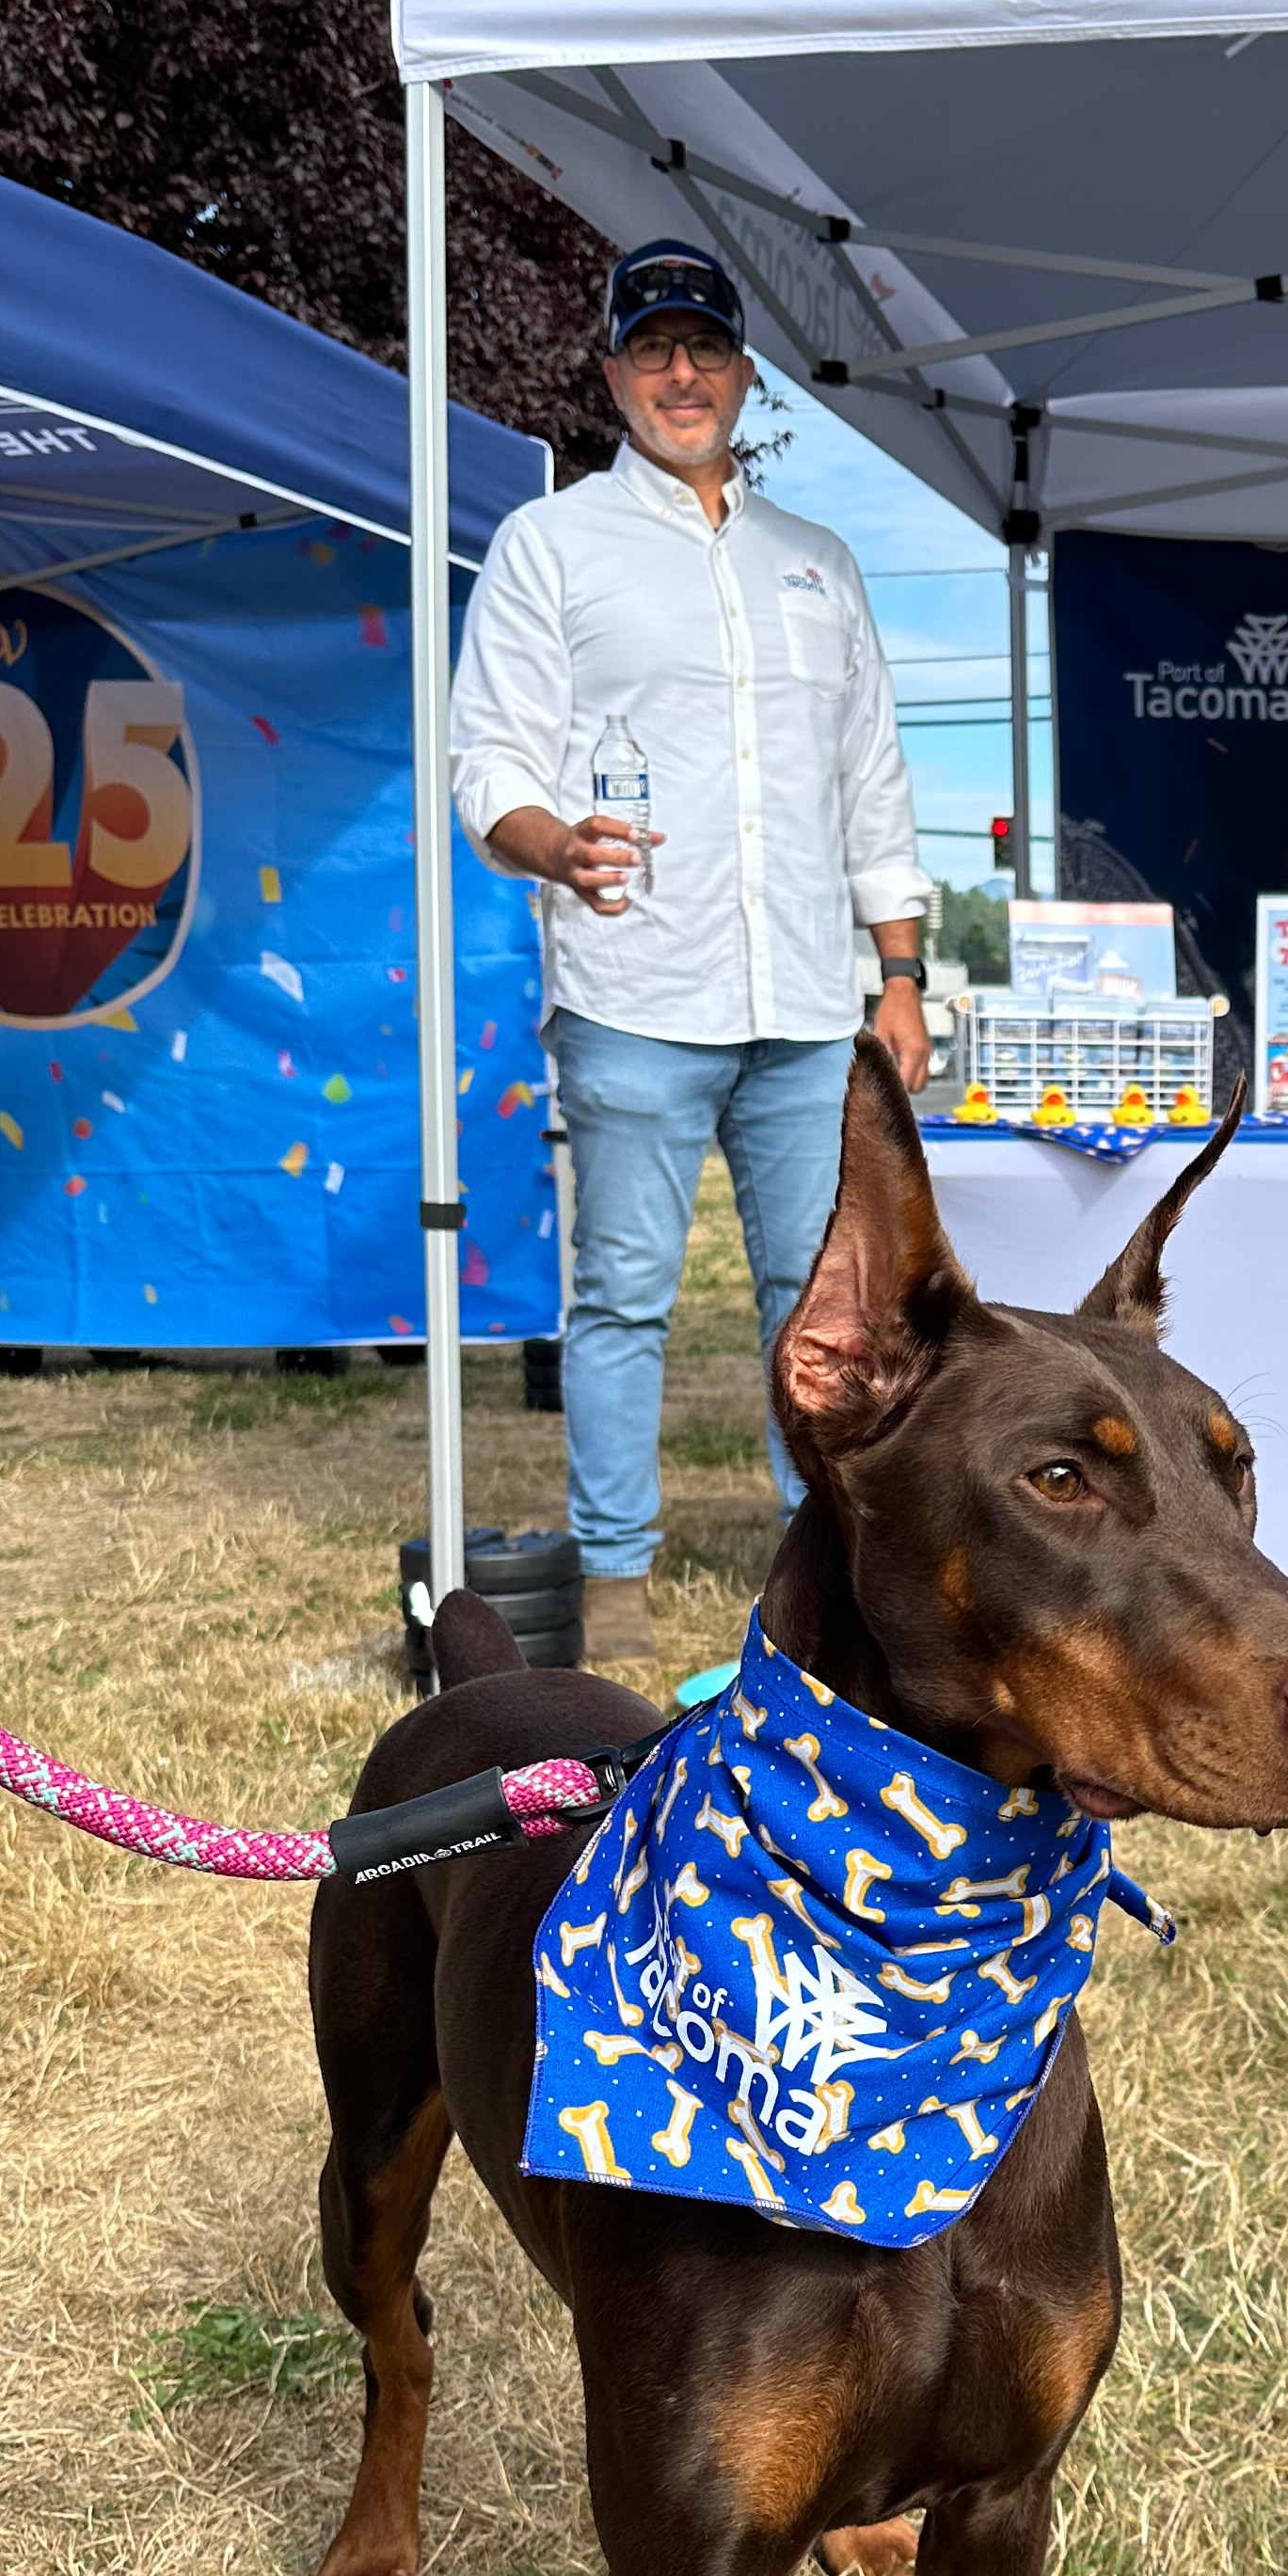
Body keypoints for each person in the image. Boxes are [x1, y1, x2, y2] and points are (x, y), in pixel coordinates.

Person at [450, 239, 932, 1677]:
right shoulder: (551, 546)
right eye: (650, 349)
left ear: (741, 374)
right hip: (633, 996)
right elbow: (490, 758)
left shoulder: (816, 562)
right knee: (624, 1295)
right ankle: (612, 1587)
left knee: (826, 1304)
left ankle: (828, 1569)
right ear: (610, 372)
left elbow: (873, 775)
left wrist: (899, 970)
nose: (679, 374)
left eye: (703, 349)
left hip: (802, 1006)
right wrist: (550, 843)